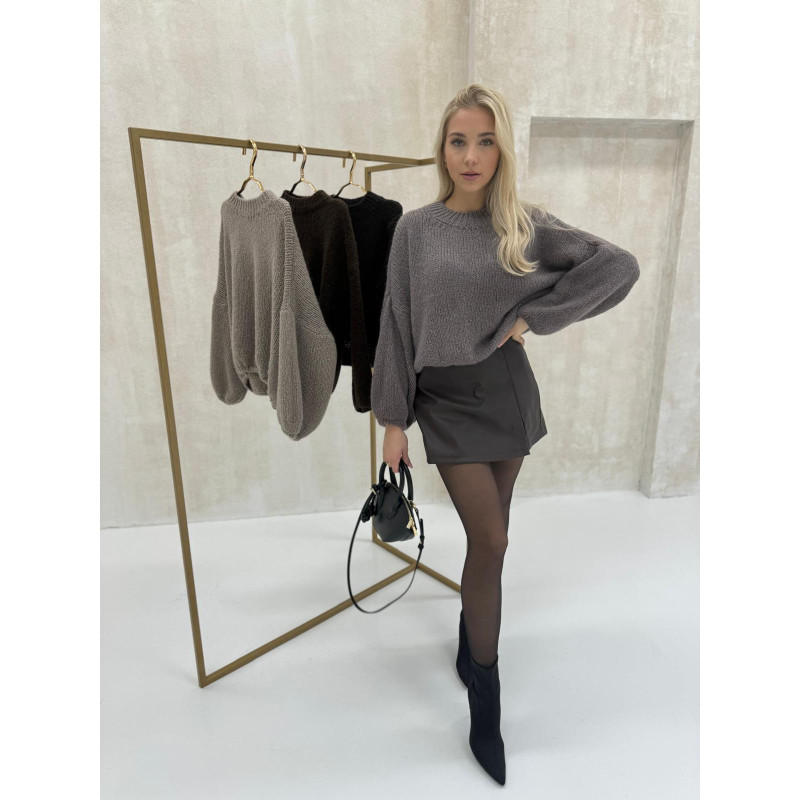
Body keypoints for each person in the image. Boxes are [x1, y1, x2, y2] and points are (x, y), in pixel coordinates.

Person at [370, 84, 641, 785]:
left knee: (491, 539)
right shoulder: (415, 230)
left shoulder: (523, 225)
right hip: (444, 401)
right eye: (459, 140)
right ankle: (485, 702)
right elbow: (395, 326)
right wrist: (392, 422)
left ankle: (472, 650)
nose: (471, 155)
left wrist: (533, 318)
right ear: (442, 149)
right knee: (491, 541)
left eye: (485, 141)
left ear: (502, 150)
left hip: (507, 392)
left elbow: (618, 266)